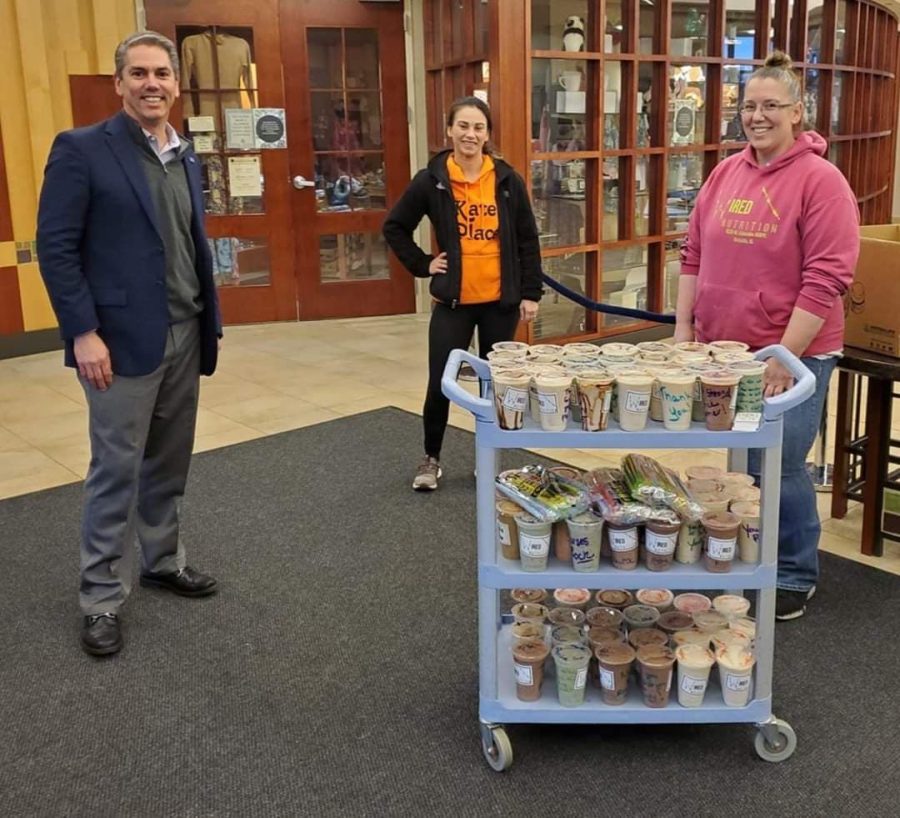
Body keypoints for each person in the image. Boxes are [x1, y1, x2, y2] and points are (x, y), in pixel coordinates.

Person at [36, 31, 222, 657]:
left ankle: (162, 560)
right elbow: (56, 249)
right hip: (116, 343)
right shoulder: (83, 149)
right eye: (138, 73)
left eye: (162, 73)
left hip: (185, 333)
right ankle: (100, 598)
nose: (152, 83)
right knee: (114, 470)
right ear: (118, 83)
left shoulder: (184, 153)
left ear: (176, 83)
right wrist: (82, 331)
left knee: (169, 463)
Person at [676, 51, 859, 621]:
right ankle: (748, 556)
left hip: (796, 355)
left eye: (770, 106)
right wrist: (684, 328)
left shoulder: (821, 181)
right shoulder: (725, 172)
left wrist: (786, 355)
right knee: (741, 467)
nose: (756, 116)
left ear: (796, 111)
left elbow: (828, 276)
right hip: (724, 350)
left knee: (779, 466)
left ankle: (794, 573)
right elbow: (694, 253)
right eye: (748, 106)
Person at [383, 96, 543, 491]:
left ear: (487, 135)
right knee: (441, 380)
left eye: (478, 128)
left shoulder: (506, 180)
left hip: (499, 303)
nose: (471, 135)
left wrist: (530, 293)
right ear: (449, 131)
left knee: (494, 385)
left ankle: (487, 457)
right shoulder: (431, 180)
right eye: (464, 126)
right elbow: (395, 227)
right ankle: (431, 459)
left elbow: (527, 239)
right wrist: (424, 264)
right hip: (453, 303)